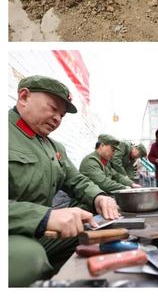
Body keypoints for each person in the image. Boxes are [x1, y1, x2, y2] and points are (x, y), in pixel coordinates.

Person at [9, 75, 120, 287]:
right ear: (24, 97)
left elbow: (77, 180)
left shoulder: (54, 148)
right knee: (26, 258)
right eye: (52, 108)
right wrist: (44, 216)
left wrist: (99, 197)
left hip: (39, 230)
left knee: (96, 230)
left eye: (61, 115)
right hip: (12, 232)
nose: (57, 119)